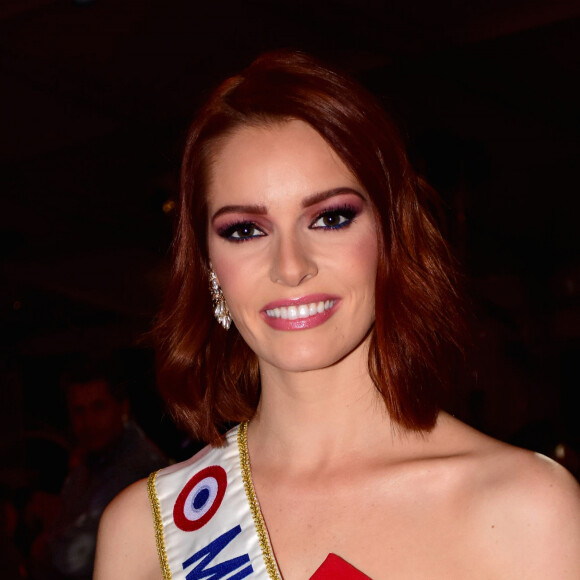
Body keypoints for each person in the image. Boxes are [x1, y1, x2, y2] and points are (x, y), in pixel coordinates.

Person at [94, 50, 580, 579]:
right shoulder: (143, 532)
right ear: (209, 264)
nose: (290, 266)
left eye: (330, 218)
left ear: (390, 234)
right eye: (245, 230)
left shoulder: (526, 510)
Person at [32, 363, 167, 579]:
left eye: (98, 407)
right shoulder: (88, 462)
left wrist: (43, 544)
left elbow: (76, 557)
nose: (88, 422)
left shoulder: (138, 467)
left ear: (122, 408)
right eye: (79, 411)